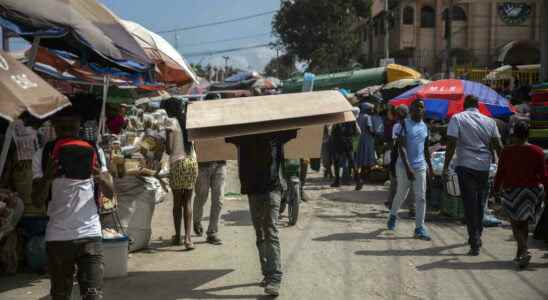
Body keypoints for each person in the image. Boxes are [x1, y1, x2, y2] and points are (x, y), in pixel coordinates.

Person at [31, 107, 113, 300]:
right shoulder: (42, 155)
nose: (67, 125)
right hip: (58, 238)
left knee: (93, 295)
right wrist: (47, 178)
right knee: (61, 295)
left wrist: (99, 176)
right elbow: (36, 201)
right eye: (62, 121)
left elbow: (110, 192)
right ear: (54, 124)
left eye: (72, 121)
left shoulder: (94, 150)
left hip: (90, 235)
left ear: (79, 123)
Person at [226, 130, 298, 297]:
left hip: (272, 189)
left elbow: (295, 129)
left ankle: (275, 277)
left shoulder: (276, 133)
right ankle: (267, 273)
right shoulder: (243, 135)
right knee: (260, 233)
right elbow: (224, 133)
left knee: (270, 230)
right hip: (253, 190)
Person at [443, 95, 503, 256]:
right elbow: (498, 146)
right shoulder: (490, 121)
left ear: (464, 105)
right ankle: (477, 234)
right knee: (480, 202)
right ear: (478, 106)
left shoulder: (457, 118)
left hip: (465, 165)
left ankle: (474, 239)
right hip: (483, 167)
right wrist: (503, 168)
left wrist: (445, 167)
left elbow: (451, 144)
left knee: (469, 204)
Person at [493, 121, 546, 268]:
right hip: (533, 192)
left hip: (512, 192)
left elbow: (500, 173)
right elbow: (543, 175)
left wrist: (496, 189)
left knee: (516, 224)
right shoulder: (538, 151)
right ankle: (520, 255)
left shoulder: (507, 151)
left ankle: (524, 250)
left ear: (514, 134)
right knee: (523, 224)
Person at [387, 100, 433, 241]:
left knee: (421, 197)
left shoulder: (424, 126)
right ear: (411, 110)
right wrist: (408, 168)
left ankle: (419, 228)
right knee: (402, 193)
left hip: (420, 166)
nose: (419, 109)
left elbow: (425, 148)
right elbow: (402, 147)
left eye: (421, 107)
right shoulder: (403, 125)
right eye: (416, 107)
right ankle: (393, 215)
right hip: (404, 166)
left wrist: (429, 166)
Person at [164, 100, 198, 250]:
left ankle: (178, 236)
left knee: (177, 202)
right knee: (188, 201)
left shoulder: (171, 121)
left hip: (178, 163)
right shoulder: (189, 121)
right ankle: (189, 239)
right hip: (191, 162)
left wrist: (164, 140)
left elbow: (170, 149)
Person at [330, 109, 360, 187]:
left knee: (336, 161)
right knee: (352, 161)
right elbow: (358, 132)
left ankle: (337, 181)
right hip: (348, 142)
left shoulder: (337, 117)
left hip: (338, 142)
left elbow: (331, 131)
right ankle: (358, 181)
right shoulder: (352, 117)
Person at [355, 102, 377, 190]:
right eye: (370, 109)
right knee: (366, 158)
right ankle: (363, 177)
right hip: (366, 139)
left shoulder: (357, 116)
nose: (371, 111)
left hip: (358, 139)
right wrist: (374, 134)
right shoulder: (367, 117)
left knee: (359, 158)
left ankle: (357, 176)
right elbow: (369, 128)